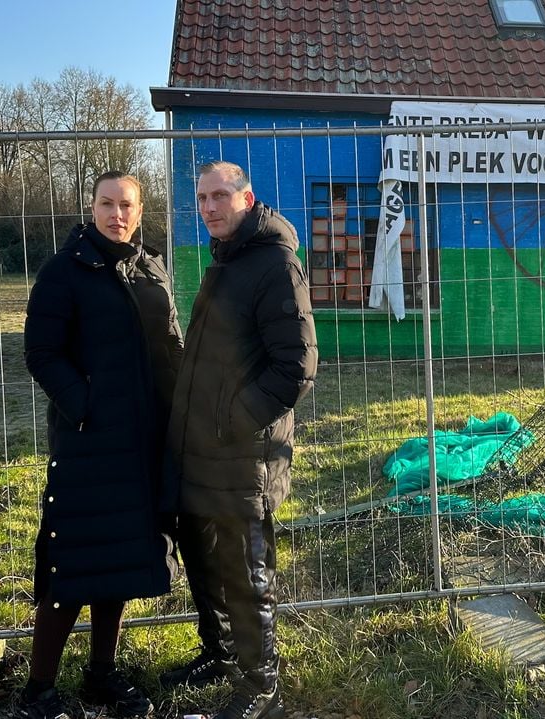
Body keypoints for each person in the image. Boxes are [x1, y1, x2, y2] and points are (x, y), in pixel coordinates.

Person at [19, 171, 183, 719]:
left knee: (118, 559)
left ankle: (101, 675)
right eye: (107, 204)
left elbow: (169, 343)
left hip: (142, 440)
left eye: (126, 205)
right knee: (71, 562)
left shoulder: (150, 268)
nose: (117, 214)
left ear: (139, 211)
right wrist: (85, 406)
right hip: (88, 443)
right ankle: (38, 689)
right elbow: (41, 352)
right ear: (91, 208)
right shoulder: (64, 272)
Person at [162, 161, 317, 719]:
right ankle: (220, 654)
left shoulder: (274, 263)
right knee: (204, 561)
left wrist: (234, 420)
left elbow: (297, 366)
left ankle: (261, 685)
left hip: (243, 451)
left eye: (220, 196)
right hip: (201, 447)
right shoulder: (227, 261)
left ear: (247, 198)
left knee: (246, 573)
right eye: (202, 198)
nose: (209, 208)